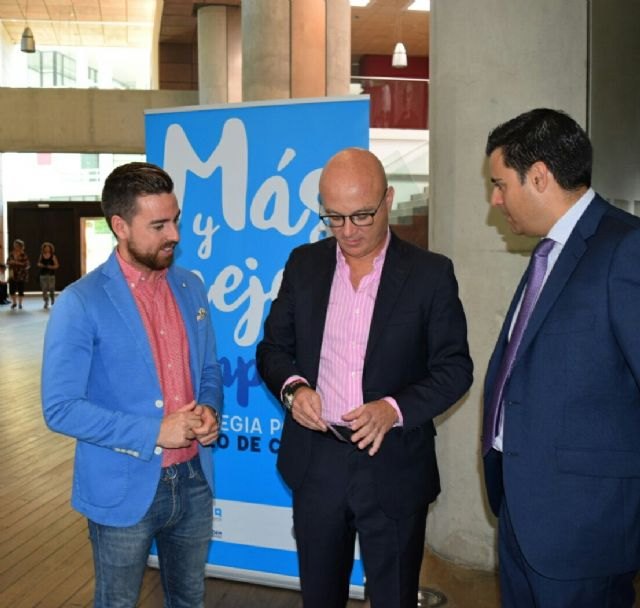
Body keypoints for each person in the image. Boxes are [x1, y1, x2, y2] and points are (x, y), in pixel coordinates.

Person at [256, 148, 473, 608]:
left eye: (361, 215)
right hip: (317, 461)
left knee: (393, 597)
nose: (348, 231)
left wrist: (393, 409)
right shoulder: (304, 265)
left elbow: (455, 368)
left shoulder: (430, 274)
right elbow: (272, 349)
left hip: (393, 464)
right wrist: (294, 390)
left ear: (388, 200)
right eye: (333, 218)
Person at [41, 162, 223, 608]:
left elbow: (209, 371)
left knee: (190, 599)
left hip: (194, 478)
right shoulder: (80, 301)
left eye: (175, 220)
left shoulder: (191, 287)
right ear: (120, 226)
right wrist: (154, 431)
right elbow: (60, 407)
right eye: (158, 225)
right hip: (121, 487)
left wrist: (209, 409)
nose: (174, 234)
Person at [482, 108, 640, 607]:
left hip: (584, 532)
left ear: (539, 176)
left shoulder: (626, 248)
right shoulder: (549, 252)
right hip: (522, 514)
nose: (495, 199)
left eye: (500, 184)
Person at [6, 238, 30, 310]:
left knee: (20, 289)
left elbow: (27, 264)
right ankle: (14, 303)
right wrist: (10, 263)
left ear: (21, 246)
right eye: (15, 245)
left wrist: (17, 262)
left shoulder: (23, 254)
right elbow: (7, 262)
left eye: (17, 245)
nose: (15, 246)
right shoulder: (11, 254)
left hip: (21, 274)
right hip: (12, 273)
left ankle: (20, 304)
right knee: (12, 289)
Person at [37, 241, 59, 309]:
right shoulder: (41, 255)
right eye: (45, 248)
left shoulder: (53, 256)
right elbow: (38, 263)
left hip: (51, 275)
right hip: (43, 274)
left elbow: (57, 265)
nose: (46, 249)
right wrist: (40, 265)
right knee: (44, 289)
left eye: (48, 248)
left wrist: (51, 267)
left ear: (50, 248)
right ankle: (46, 301)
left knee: (51, 288)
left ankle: (52, 299)